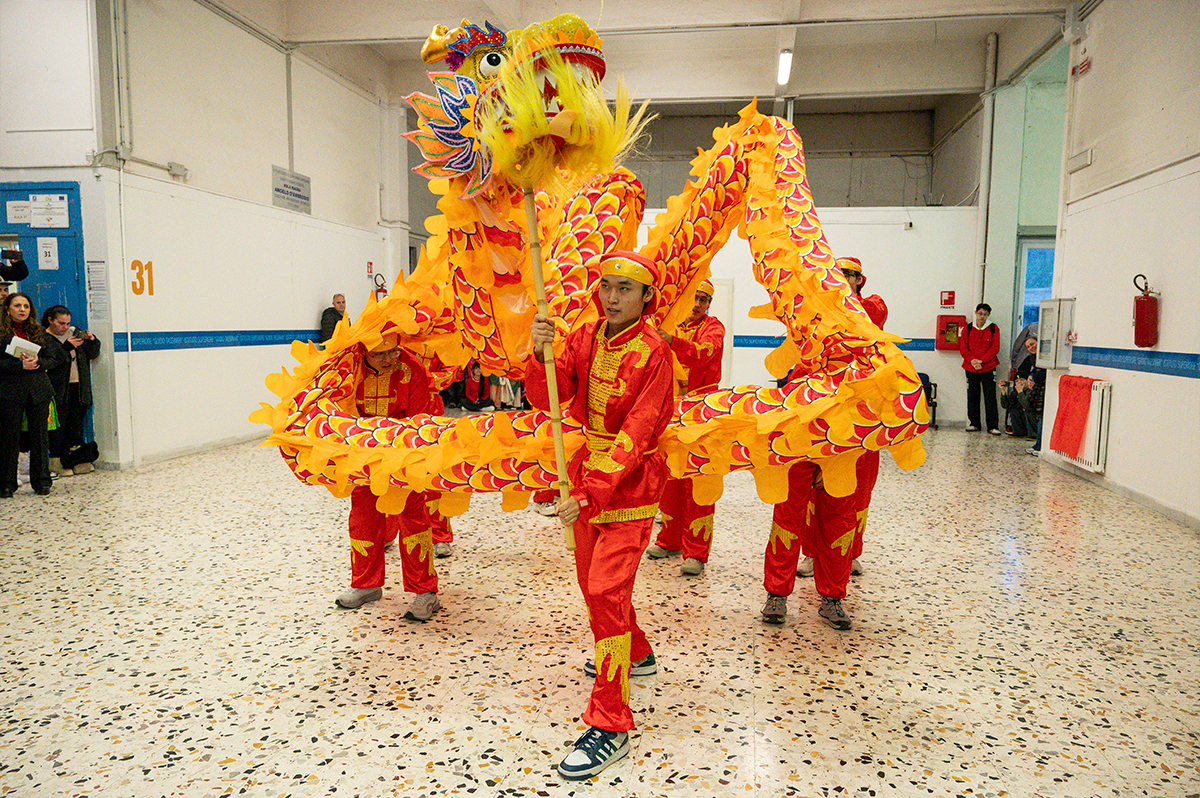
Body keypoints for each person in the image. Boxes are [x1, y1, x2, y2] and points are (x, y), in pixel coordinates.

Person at [526, 250, 674, 780]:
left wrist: (591, 492)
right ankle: (638, 652)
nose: (612, 297)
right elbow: (551, 395)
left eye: (625, 289)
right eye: (606, 286)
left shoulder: (656, 353)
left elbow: (639, 430)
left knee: (606, 592)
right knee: (594, 588)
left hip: (630, 484)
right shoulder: (585, 336)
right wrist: (540, 351)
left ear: (647, 297)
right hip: (587, 473)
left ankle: (610, 722)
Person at [335, 336, 443, 622]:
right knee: (362, 518)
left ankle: (425, 591)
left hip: (405, 455)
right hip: (363, 457)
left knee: (413, 519)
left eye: (393, 352)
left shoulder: (412, 369)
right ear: (363, 352)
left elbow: (421, 421)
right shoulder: (348, 369)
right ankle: (365, 584)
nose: (389, 360)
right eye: (379, 355)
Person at [795, 256, 886, 580]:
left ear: (859, 280)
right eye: (836, 274)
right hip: (824, 414)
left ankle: (850, 554)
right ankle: (810, 554)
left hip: (863, 418)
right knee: (815, 489)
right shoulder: (818, 314)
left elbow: (870, 315)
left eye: (848, 275)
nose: (841, 279)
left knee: (858, 490)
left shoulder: (872, 307)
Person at [645, 279, 725, 576]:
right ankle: (669, 540)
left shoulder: (713, 328)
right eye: (694, 297)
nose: (697, 304)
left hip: (702, 414)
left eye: (703, 299)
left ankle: (696, 552)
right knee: (671, 480)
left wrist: (671, 342)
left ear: (709, 304)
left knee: (699, 483)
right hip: (671, 412)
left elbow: (704, 352)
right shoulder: (671, 325)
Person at [1, 293, 65, 497]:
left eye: (26, 306)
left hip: (38, 390)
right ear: (7, 308)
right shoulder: (2, 332)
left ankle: (42, 481)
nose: (22, 310)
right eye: (17, 306)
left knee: (40, 437)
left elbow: (56, 357)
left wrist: (39, 363)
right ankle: (7, 483)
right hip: (10, 390)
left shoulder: (38, 331)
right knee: (9, 437)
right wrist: (19, 366)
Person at [41, 305, 102, 476]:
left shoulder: (75, 334)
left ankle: (76, 459)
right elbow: (48, 362)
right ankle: (56, 461)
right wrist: (65, 348)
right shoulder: (43, 338)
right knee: (57, 428)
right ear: (50, 320)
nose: (65, 327)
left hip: (79, 386)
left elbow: (92, 353)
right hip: (58, 389)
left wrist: (92, 341)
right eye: (61, 323)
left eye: (67, 323)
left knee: (76, 427)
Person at [959, 302, 1001, 434]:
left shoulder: (993, 328)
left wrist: (982, 360)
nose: (982, 317)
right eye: (980, 313)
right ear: (976, 313)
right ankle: (974, 424)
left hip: (988, 367)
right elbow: (963, 347)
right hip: (971, 367)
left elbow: (995, 348)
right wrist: (973, 360)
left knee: (990, 396)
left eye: (985, 314)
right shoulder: (968, 329)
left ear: (989, 315)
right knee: (972, 395)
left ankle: (993, 426)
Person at [1010, 337, 1046, 448]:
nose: (1031, 347)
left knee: (1038, 415)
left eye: (1032, 344)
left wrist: (1033, 379)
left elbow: (1044, 372)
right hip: (1036, 389)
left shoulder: (1044, 357)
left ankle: (1038, 444)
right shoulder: (1031, 359)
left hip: (1042, 390)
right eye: (1028, 347)